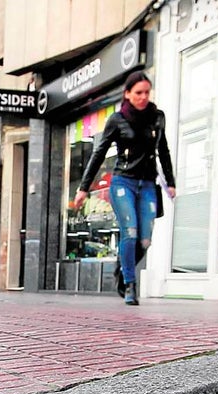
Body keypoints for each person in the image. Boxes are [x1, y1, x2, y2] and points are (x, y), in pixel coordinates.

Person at [73, 71, 175, 305]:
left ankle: (122, 267)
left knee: (145, 240)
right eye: (138, 93)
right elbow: (99, 154)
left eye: (147, 92)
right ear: (128, 94)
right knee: (130, 231)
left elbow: (164, 150)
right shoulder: (117, 120)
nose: (143, 97)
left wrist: (171, 182)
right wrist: (84, 188)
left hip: (147, 184)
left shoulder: (157, 118)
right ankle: (130, 284)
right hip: (123, 183)